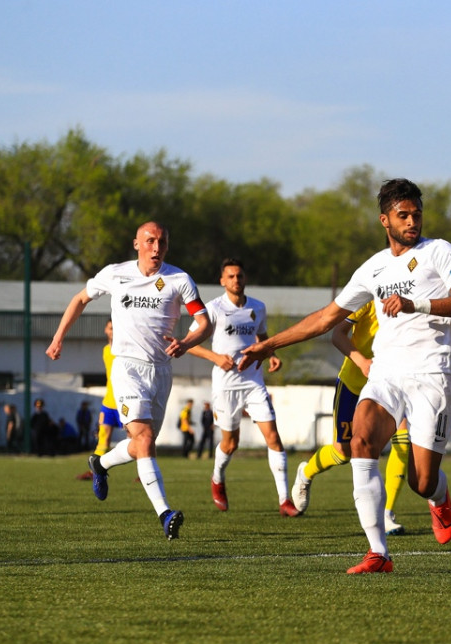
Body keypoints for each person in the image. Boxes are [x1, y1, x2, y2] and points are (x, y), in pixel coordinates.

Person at [239, 178, 451, 573]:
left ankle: (439, 496)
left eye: (416, 214)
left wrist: (414, 303)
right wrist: (271, 344)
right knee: (360, 442)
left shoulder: (440, 251)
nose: (412, 222)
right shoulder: (373, 268)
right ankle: (378, 553)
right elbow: (325, 319)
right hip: (387, 371)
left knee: (421, 480)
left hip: (433, 372)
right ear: (384, 220)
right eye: (403, 215)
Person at [47, 221, 210, 540]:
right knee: (144, 438)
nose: (156, 248)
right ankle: (165, 513)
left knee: (140, 445)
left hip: (161, 371)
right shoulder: (115, 273)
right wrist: (58, 338)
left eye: (162, 242)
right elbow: (80, 299)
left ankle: (101, 463)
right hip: (127, 368)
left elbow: (203, 322)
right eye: (149, 241)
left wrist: (186, 342)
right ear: (136, 244)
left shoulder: (179, 280)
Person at [289, 301, 415, 533]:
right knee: (342, 452)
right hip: (353, 384)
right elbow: (337, 334)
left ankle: (386, 513)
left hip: (389, 385)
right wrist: (361, 361)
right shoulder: (367, 295)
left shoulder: (411, 297)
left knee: (403, 440)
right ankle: (305, 473)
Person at [185, 258, 298, 517]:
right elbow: (190, 343)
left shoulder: (258, 307)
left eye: (240, 276)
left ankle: (284, 500)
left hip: (253, 381)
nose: (236, 280)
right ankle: (217, 479)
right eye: (231, 276)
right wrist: (216, 358)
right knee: (230, 444)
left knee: (274, 439)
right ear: (222, 281)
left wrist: (271, 354)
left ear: (245, 278)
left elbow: (262, 338)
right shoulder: (212, 309)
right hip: (225, 387)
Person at [78, 321, 122, 480]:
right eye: (111, 328)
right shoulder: (105, 350)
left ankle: (143, 474)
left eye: (115, 328)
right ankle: (94, 471)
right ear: (105, 330)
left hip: (125, 402)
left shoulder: (125, 350)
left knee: (136, 439)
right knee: (103, 437)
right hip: (108, 402)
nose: (113, 331)